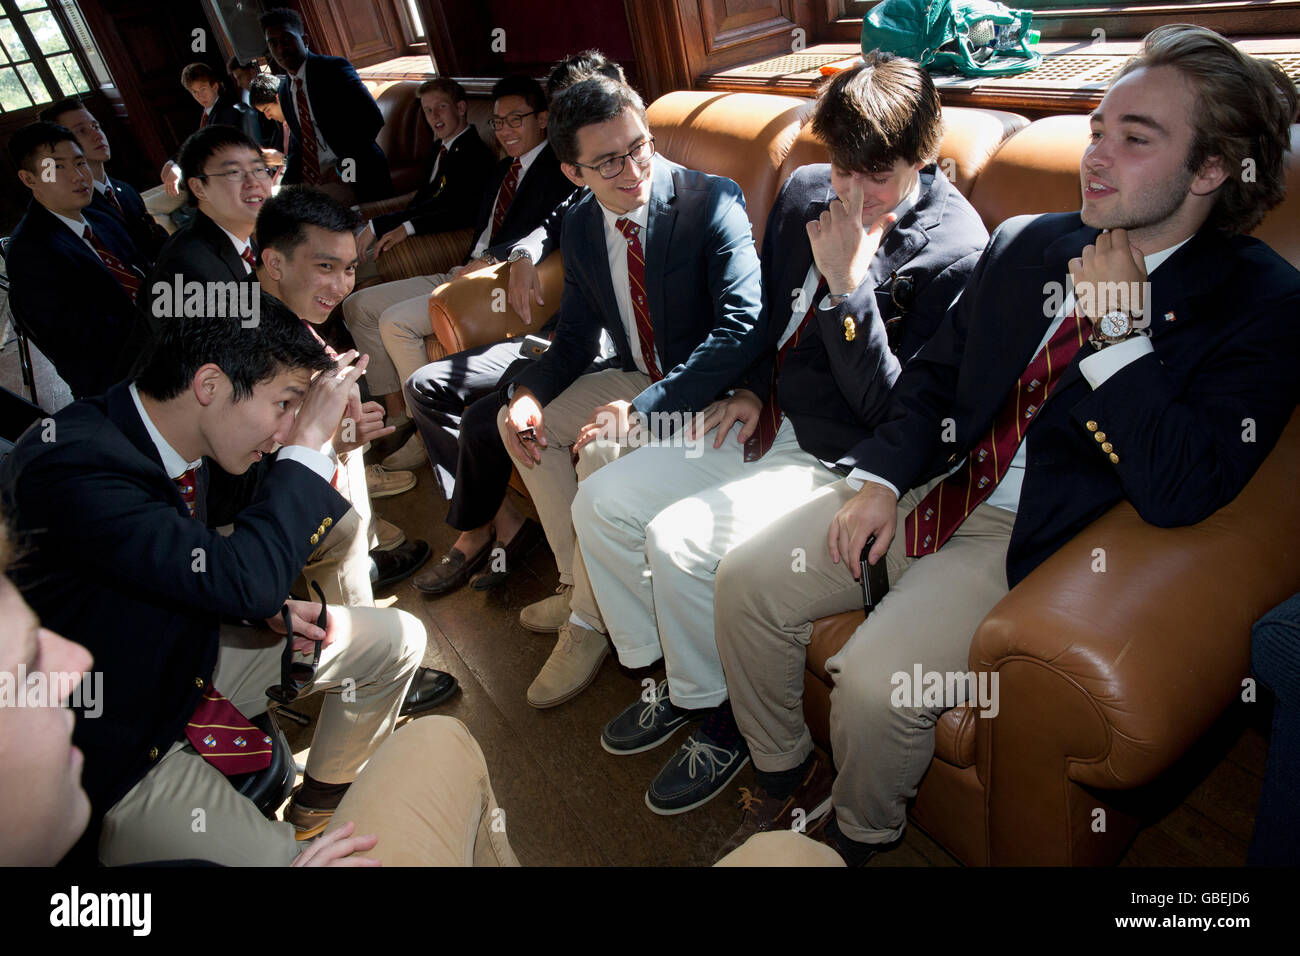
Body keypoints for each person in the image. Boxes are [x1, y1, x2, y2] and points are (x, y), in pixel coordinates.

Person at [712, 24, 1300, 864]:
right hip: (932, 482)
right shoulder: (1028, 242)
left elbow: (1184, 487)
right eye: (1099, 130)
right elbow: (933, 384)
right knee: (746, 583)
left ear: (1211, 169)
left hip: (1033, 537)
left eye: (1136, 139)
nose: (1097, 155)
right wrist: (881, 479)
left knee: (877, 689)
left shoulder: (1262, 305)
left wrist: (1124, 340)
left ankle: (856, 834)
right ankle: (780, 772)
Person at [570, 54, 989, 815]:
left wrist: (848, 285)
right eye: (841, 172)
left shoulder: (955, 253)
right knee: (601, 501)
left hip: (840, 454)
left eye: (878, 177)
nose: (853, 196)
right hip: (772, 415)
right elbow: (767, 321)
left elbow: (898, 420)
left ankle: (724, 720)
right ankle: (681, 683)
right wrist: (749, 388)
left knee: (681, 540)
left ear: (923, 156)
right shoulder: (804, 190)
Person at [0, 527, 838, 867]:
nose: (74, 661)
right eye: (31, 660)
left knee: (433, 737)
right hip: (150, 759)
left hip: (188, 703)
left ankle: (315, 803)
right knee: (797, 856)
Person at [0, 298, 443, 865]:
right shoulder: (72, 467)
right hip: (117, 744)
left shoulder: (171, 431)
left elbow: (186, 563)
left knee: (398, 641)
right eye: (285, 404)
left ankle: (318, 805)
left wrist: (257, 606)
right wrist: (306, 450)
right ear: (209, 383)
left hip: (180, 654)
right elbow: (242, 574)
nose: (288, 431)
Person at [495, 76, 766, 709]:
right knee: (516, 423)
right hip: (640, 378)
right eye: (608, 161)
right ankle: (577, 587)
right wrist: (529, 392)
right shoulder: (586, 227)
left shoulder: (710, 201)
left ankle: (589, 623)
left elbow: (742, 327)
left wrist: (640, 411)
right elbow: (570, 342)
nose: (632, 169)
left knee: (600, 453)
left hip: (705, 391)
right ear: (572, 171)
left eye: (639, 147)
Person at [398, 52, 625, 597]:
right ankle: (494, 520)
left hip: (598, 350)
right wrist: (522, 255)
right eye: (573, 114)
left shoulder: (649, 182)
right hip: (558, 337)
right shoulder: (577, 184)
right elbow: (549, 223)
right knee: (426, 385)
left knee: (484, 419)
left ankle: (481, 534)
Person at [345, 74, 576, 473]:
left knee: (395, 322)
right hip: (461, 267)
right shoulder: (503, 168)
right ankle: (397, 413)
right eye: (499, 122)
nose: (504, 130)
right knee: (358, 305)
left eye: (515, 119)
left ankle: (426, 432)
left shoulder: (558, 172)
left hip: (495, 278)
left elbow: (550, 232)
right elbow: (459, 212)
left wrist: (489, 263)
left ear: (542, 119)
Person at [255, 185, 435, 602]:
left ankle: (361, 567)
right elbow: (247, 468)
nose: (341, 287)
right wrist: (329, 440)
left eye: (350, 268)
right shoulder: (257, 349)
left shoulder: (265, 303)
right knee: (341, 528)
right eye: (325, 266)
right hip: (240, 509)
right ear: (274, 262)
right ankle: (359, 647)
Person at [5, 121, 151, 400]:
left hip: (160, 338)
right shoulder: (31, 253)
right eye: (57, 167)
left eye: (80, 162)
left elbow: (144, 272)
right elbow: (87, 342)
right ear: (29, 179)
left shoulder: (99, 215)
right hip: (121, 378)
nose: (77, 176)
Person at [353, 77, 495, 279]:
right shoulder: (440, 147)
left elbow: (458, 211)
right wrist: (382, 224)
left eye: (441, 107)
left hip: (448, 233)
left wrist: (405, 227)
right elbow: (426, 198)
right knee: (344, 254)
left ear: (461, 108)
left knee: (351, 268)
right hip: (423, 224)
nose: (434, 115)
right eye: (428, 110)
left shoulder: (472, 154)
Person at [262, 6, 393, 202]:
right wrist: (285, 189)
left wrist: (341, 168)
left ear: (304, 40)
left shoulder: (334, 70)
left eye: (287, 39)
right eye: (273, 43)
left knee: (311, 211)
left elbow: (372, 120)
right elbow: (300, 145)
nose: (281, 48)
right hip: (317, 176)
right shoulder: (284, 91)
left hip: (354, 169)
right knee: (274, 208)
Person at [39, 96, 169, 262]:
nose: (97, 135)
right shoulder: (75, 208)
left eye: (95, 126)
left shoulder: (124, 189)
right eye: (81, 131)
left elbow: (156, 240)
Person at [159, 62, 262, 198]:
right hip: (203, 177)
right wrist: (171, 162)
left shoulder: (227, 111)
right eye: (194, 92)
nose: (200, 96)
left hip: (221, 180)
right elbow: (194, 142)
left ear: (214, 86)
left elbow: (204, 147)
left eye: (203, 89)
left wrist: (178, 167)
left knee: (151, 205)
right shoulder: (206, 112)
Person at [249, 71, 290, 155]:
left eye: (267, 109)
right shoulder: (283, 125)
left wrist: (283, 160)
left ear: (278, 98)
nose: (268, 116)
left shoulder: (300, 120)